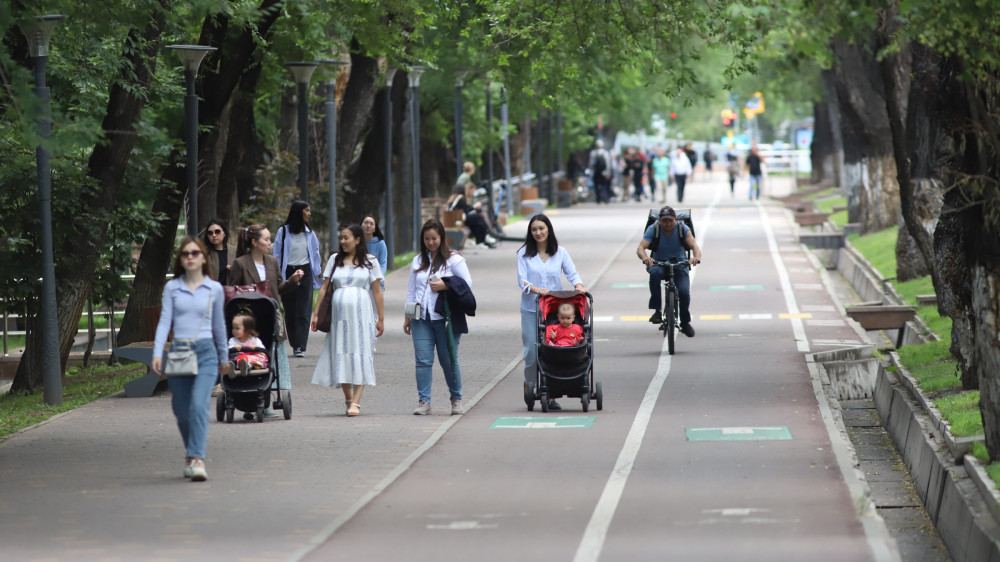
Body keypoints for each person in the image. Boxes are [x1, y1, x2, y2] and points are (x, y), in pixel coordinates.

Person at [151, 237, 227, 482]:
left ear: (203, 257)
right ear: (180, 260)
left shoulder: (214, 288)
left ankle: (197, 458)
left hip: (206, 353)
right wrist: (157, 352)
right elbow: (165, 321)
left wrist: (224, 357)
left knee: (198, 405)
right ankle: (190, 453)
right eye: (185, 254)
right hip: (179, 352)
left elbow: (219, 326)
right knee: (182, 411)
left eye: (195, 253)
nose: (191, 257)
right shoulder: (172, 288)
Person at [310, 225, 385, 417]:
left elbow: (377, 290)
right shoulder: (335, 260)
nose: (343, 241)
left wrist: (381, 318)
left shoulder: (370, 261)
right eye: (341, 238)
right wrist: (316, 314)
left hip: (363, 318)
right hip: (339, 320)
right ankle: (348, 398)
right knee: (341, 353)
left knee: (361, 353)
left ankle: (356, 402)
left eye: (347, 238)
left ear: (358, 239)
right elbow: (325, 287)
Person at [230, 224, 303, 419]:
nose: (269, 243)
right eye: (266, 239)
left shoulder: (272, 262)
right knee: (250, 356)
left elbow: (279, 287)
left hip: (271, 317)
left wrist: (293, 280)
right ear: (254, 242)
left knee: (270, 358)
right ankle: (248, 401)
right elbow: (233, 292)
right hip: (249, 321)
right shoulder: (240, 263)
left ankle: (265, 402)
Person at [516, 214, 586, 411]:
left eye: (541, 228)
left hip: (554, 311)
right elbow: (522, 280)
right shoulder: (523, 254)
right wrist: (537, 290)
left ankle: (551, 392)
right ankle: (530, 385)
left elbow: (572, 273)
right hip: (531, 308)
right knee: (531, 350)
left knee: (553, 349)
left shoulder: (560, 252)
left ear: (548, 230)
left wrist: (578, 285)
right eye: (534, 229)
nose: (538, 232)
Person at [404, 219, 472, 416]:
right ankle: (424, 401)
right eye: (427, 239)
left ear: (441, 238)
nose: (430, 242)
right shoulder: (418, 260)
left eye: (434, 238)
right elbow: (411, 291)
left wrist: (446, 285)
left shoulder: (454, 259)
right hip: (421, 319)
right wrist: (408, 317)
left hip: (446, 320)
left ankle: (456, 399)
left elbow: (466, 283)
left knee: (449, 359)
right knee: (423, 361)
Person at [636, 206, 702, 337]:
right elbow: (640, 248)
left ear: (675, 220)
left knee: (684, 292)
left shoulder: (682, 229)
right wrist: (645, 258)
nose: (667, 224)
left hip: (679, 264)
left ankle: (685, 322)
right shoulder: (653, 229)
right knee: (653, 274)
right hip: (659, 263)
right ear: (659, 221)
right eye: (664, 221)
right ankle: (657, 310)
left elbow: (694, 246)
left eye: (670, 221)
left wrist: (696, 257)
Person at [272, 201, 323, 358]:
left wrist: (317, 272)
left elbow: (315, 253)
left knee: (303, 310)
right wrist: (277, 275)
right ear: (298, 212)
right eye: (307, 211)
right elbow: (277, 254)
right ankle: (294, 342)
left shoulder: (310, 232)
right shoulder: (284, 232)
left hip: (305, 272)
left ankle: (300, 346)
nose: (309, 213)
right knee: (290, 309)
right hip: (288, 273)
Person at [447, 183, 496, 248]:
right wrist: (474, 207)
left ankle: (481, 240)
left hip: (454, 219)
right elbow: (467, 209)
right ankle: (484, 238)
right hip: (458, 220)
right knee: (479, 217)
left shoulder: (452, 198)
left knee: (476, 222)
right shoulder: (460, 198)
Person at [228, 313, 268, 377]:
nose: (234, 331)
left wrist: (256, 347)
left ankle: (247, 367)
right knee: (231, 360)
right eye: (233, 328)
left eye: (237, 328)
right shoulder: (232, 340)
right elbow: (229, 349)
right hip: (237, 359)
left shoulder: (254, 340)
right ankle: (232, 369)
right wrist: (234, 348)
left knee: (259, 358)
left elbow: (263, 349)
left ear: (247, 329)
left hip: (251, 359)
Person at [202, 218, 235, 285]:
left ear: (224, 233)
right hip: (211, 292)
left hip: (232, 292)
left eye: (217, 232)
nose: (214, 235)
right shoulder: (204, 253)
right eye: (210, 233)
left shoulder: (235, 251)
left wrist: (234, 269)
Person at [362, 215, 388, 289]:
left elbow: (383, 263)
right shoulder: (357, 243)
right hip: (361, 284)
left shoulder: (380, 243)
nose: (368, 225)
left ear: (374, 229)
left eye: (371, 223)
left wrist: (378, 278)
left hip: (376, 283)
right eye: (366, 223)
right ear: (361, 225)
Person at [588, 140, 613, 204]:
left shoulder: (593, 153)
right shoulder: (605, 153)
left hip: (596, 172)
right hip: (604, 172)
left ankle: (598, 198)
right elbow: (608, 164)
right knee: (604, 185)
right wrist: (608, 173)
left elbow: (591, 164)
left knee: (596, 185)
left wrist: (591, 171)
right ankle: (605, 197)